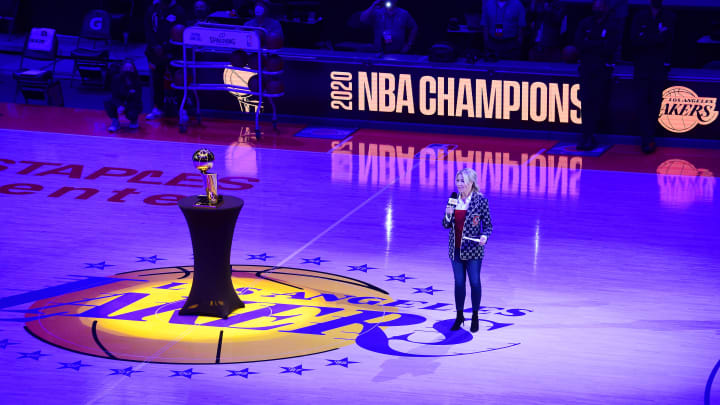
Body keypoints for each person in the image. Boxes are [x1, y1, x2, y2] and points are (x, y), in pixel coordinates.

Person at [442, 168, 493, 333]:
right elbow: (445, 225)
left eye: (462, 181)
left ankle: (475, 315)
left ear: (471, 182)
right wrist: (448, 214)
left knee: (475, 282)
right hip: (455, 249)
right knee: (459, 283)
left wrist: (485, 236)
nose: (459, 184)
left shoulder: (480, 201)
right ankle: (459, 316)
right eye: (458, 180)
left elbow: (488, 225)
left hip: (473, 251)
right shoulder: (453, 200)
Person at [574, 0, 620, 150]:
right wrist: (598, 43)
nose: (598, 8)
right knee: (585, 101)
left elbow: (609, 48)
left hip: (602, 69)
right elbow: (579, 43)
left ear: (606, 8)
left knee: (598, 102)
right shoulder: (584, 22)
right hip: (586, 68)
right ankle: (585, 135)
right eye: (596, 5)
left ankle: (592, 135)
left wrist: (591, 44)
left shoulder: (613, 25)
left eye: (601, 6)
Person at [630, 0, 675, 154]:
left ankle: (650, 138)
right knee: (641, 102)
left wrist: (648, 38)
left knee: (656, 103)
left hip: (659, 67)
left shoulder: (669, 17)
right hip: (642, 67)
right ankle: (646, 139)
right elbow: (635, 41)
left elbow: (669, 41)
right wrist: (657, 37)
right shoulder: (639, 16)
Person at [144, 0, 188, 120]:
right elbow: (148, 30)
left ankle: (183, 109)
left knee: (179, 80)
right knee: (157, 80)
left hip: (173, 51)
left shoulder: (179, 11)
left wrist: (165, 47)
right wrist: (155, 46)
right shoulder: (152, 10)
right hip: (155, 51)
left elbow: (180, 32)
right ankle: (158, 108)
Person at [105, 60, 143, 132]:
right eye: (126, 68)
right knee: (108, 100)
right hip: (120, 100)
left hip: (132, 102)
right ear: (122, 68)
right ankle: (115, 122)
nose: (128, 70)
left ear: (134, 69)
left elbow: (138, 97)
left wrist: (126, 105)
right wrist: (119, 105)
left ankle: (134, 120)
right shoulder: (116, 78)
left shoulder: (137, 80)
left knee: (132, 112)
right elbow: (114, 94)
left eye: (130, 68)